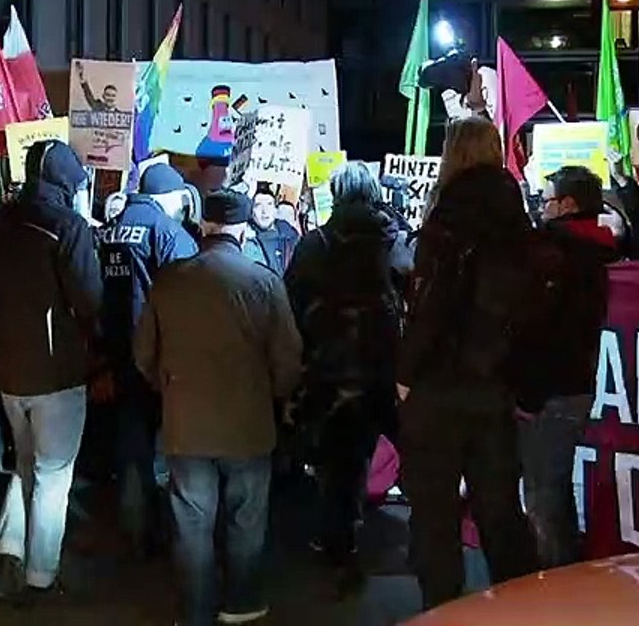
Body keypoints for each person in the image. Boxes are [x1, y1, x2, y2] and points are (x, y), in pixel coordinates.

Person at [134, 190, 302, 626]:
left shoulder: (169, 281)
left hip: (186, 421)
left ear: (204, 226)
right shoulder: (264, 281)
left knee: (191, 519)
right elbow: (287, 359)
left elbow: (143, 354)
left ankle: (195, 609)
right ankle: (242, 602)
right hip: (248, 423)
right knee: (246, 517)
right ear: (243, 230)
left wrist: (168, 387)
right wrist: (279, 398)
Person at [397, 117, 537, 609]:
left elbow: (431, 306)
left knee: (435, 514)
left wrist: (405, 375)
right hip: (496, 385)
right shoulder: (517, 218)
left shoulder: (449, 218)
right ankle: (519, 607)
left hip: (442, 384)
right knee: (500, 510)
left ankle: (443, 611)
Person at [0, 139, 102, 601]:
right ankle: (41, 575)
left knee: (25, 465)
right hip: (56, 373)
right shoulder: (66, 226)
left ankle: (9, 550)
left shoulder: (0, 221)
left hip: (10, 369)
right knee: (54, 475)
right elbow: (88, 299)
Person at [283, 163, 411, 592]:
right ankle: (423, 533)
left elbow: (291, 304)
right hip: (386, 370)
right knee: (400, 451)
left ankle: (338, 542)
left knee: (339, 461)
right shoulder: (393, 241)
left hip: (330, 369)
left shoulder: (314, 244)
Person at [97, 163, 198, 560]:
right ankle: (164, 533)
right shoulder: (167, 231)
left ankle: (133, 529)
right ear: (168, 197)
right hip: (158, 353)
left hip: (118, 349)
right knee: (164, 448)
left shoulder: (112, 228)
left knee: (131, 443)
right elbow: (188, 292)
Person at [524, 165, 617, 570]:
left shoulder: (553, 254)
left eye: (546, 199)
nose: (541, 208)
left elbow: (543, 329)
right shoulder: (607, 249)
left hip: (551, 387)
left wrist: (526, 394)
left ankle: (554, 582)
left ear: (567, 205)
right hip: (584, 383)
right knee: (557, 486)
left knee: (543, 491)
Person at [243, 187, 300, 278]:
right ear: (251, 211)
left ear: (275, 209)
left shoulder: (291, 235)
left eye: (269, 204)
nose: (264, 211)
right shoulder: (247, 241)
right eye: (258, 205)